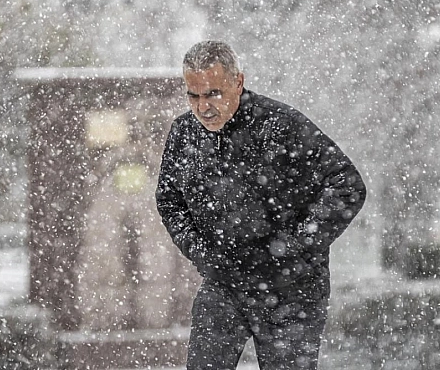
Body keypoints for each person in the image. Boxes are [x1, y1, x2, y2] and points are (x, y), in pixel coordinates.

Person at [155, 41, 366, 370]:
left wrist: (294, 245)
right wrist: (199, 250)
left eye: (213, 93)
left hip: (291, 290)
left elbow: (347, 185)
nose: (203, 107)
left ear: (238, 82)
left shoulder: (282, 126)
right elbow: (169, 199)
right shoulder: (184, 134)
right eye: (193, 96)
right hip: (224, 284)